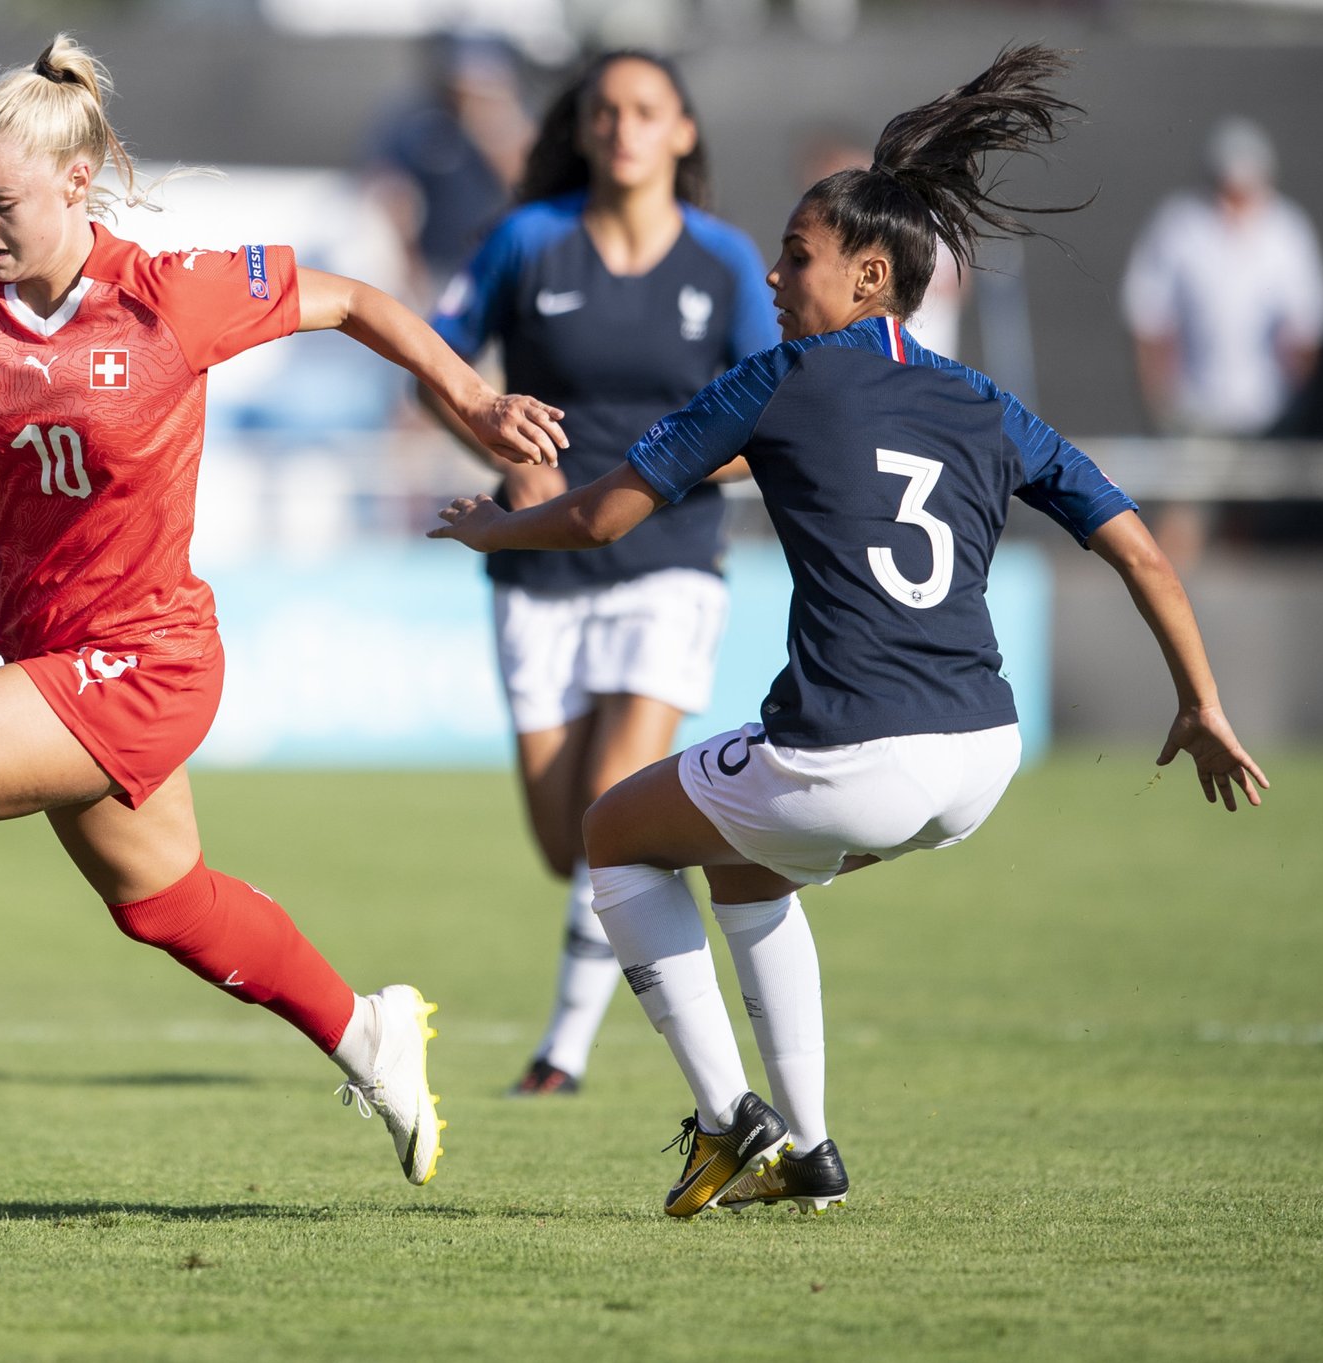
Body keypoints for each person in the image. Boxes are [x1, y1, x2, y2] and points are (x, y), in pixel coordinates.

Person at [0, 35, 569, 1186]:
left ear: (74, 185)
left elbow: (345, 298)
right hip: (52, 650)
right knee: (166, 905)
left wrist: (473, 399)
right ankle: (365, 1029)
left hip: (144, 660)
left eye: (2, 206)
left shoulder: (167, 295)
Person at [430, 44, 1267, 1216]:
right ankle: (810, 1157)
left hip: (849, 753)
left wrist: (487, 533)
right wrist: (1199, 700)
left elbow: (600, 514)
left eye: (795, 255)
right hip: (979, 759)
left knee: (611, 833)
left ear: (868, 274)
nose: (772, 275)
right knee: (738, 866)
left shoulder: (777, 378)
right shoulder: (986, 403)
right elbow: (1134, 544)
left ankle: (730, 1123)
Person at [424, 50, 777, 1097]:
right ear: (582, 132)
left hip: (669, 563)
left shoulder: (720, 260)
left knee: (607, 818)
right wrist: (507, 455)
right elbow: (438, 363)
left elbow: (776, 404)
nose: (623, 127)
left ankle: (560, 1055)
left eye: (646, 111)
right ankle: (576, 1034)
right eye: (605, 111)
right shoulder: (525, 242)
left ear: (680, 132)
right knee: (559, 843)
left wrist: (658, 478)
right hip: (537, 567)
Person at [1122, 116, 1323, 561]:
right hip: (1196, 408)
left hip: (1268, 410)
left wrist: (1297, 403)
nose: (1234, 201)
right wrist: (1162, 398)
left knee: (1254, 524)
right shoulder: (1179, 225)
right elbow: (1148, 316)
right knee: (1185, 516)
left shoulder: (1287, 231)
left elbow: (1309, 327)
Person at [364, 32, 537, 302]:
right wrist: (408, 261)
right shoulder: (420, 119)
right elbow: (393, 192)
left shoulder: (512, 121)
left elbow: (527, 185)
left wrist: (490, 125)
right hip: (439, 266)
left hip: (499, 262)